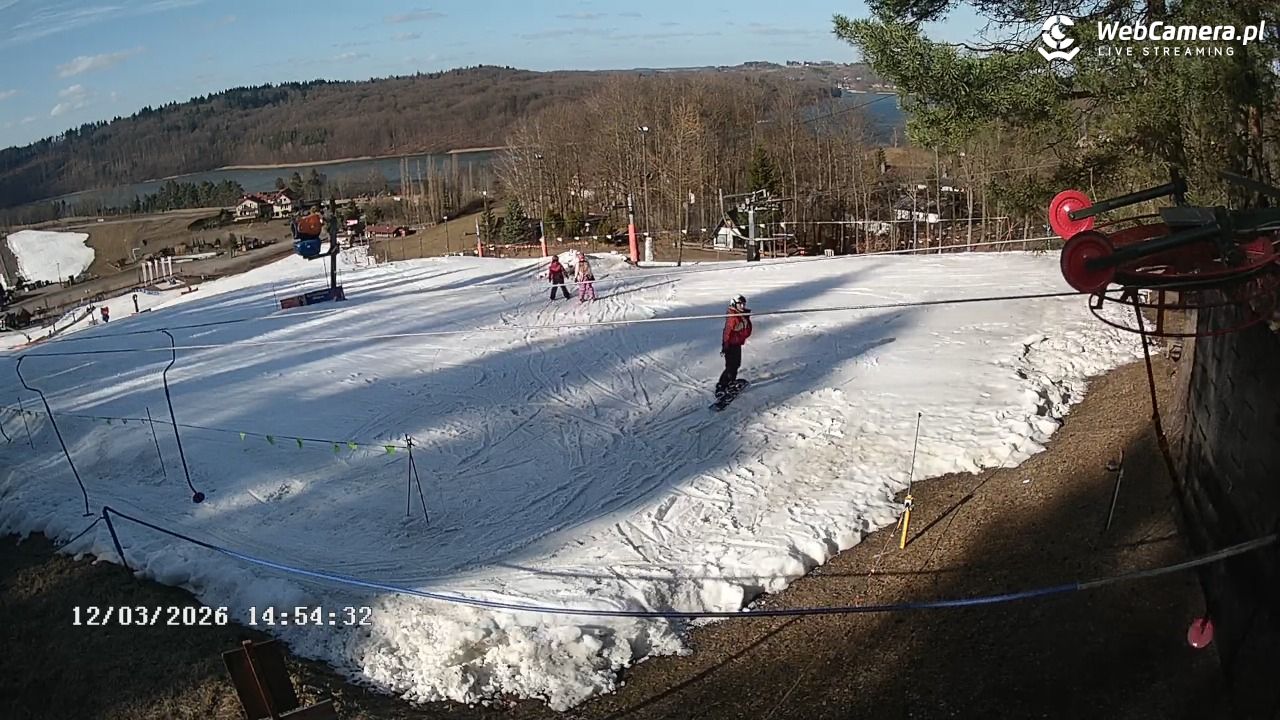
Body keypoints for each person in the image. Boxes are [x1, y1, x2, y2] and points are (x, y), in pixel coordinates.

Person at [717, 295, 752, 397]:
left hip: (737, 344)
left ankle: (731, 382)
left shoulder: (740, 315)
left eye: (743, 304)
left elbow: (747, 332)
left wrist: (745, 320)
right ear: (734, 304)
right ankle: (722, 385)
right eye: (740, 304)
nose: (742, 306)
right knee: (730, 366)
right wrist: (725, 344)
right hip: (731, 345)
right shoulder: (732, 316)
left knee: (736, 364)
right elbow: (727, 332)